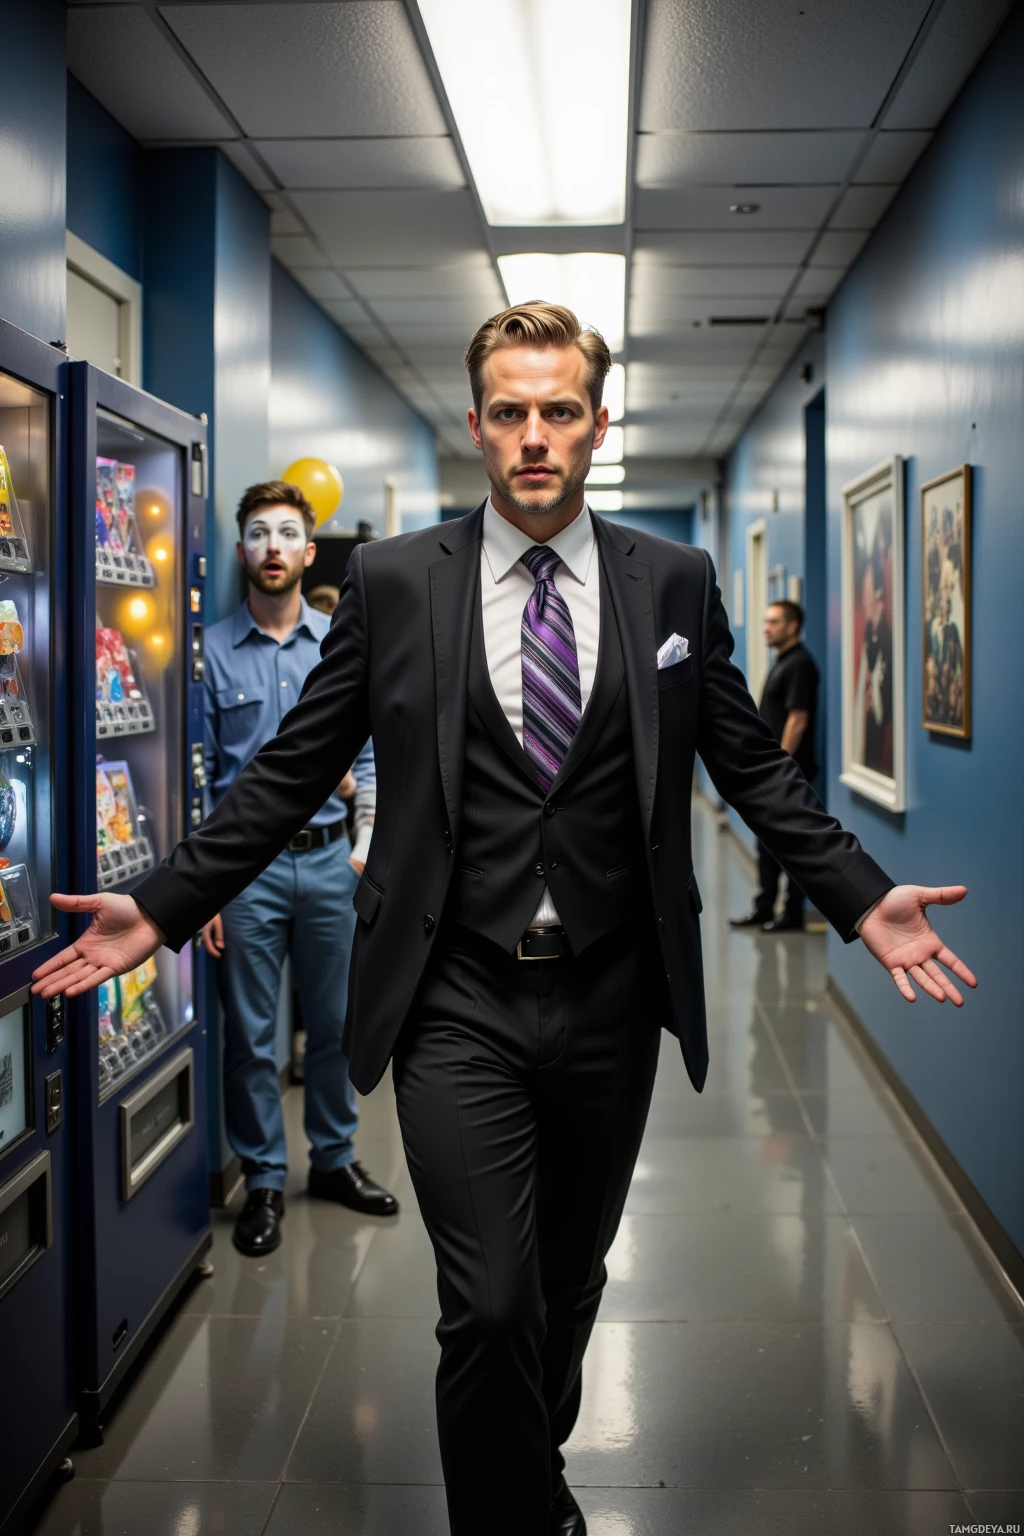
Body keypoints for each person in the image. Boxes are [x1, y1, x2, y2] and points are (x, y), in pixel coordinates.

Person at [33, 304, 975, 1536]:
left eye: (561, 411)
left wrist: (857, 894)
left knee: (566, 1284)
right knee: (485, 1304)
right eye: (512, 412)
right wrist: (164, 904)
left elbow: (742, 758)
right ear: (476, 425)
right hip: (453, 992)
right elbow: (292, 766)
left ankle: (532, 1466)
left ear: (596, 424)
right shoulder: (388, 580)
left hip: (611, 991)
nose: (536, 436)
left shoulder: (672, 582)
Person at [201, 481, 397, 1257]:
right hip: (243, 879)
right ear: (244, 551)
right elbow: (195, 780)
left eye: (288, 534)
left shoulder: (343, 643)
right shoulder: (208, 653)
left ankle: (335, 1161)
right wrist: (204, 888)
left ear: (310, 552)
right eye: (257, 534)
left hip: (329, 869)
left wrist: (366, 845)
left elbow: (376, 751)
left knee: (336, 1028)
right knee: (250, 1038)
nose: (273, 547)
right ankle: (265, 1180)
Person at [731, 598, 819, 932]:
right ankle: (765, 907)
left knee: (792, 845)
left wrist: (780, 766)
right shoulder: (783, 661)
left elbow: (798, 719)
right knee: (767, 843)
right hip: (776, 771)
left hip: (789, 772)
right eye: (766, 621)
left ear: (792, 626)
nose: (766, 628)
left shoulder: (799, 665)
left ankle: (791, 914)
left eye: (773, 622)